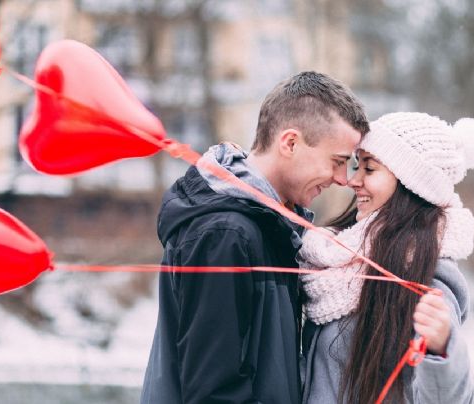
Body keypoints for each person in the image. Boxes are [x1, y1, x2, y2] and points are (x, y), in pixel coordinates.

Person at [140, 71, 369, 404]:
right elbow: (213, 392)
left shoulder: (269, 227)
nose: (341, 179)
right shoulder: (225, 234)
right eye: (337, 162)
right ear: (290, 143)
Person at [299, 112, 474, 403]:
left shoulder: (429, 276)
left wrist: (440, 348)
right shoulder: (334, 261)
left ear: (410, 183)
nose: (354, 180)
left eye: (370, 169)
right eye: (356, 166)